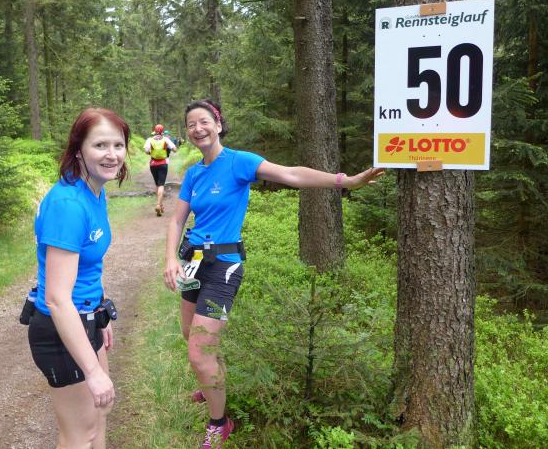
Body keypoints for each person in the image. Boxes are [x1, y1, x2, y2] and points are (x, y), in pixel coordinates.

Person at [163, 99, 384, 448]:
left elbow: (292, 174)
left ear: (218, 125)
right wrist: (170, 259)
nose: (197, 129)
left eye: (204, 121)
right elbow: (177, 220)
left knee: (199, 352)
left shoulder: (239, 162)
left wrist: (346, 181)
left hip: (224, 266)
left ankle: (220, 422)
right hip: (193, 262)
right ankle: (211, 381)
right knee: (190, 334)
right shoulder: (193, 174)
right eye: (191, 124)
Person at [28, 107, 129, 449]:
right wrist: (93, 371)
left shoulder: (94, 191)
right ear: (78, 150)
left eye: (118, 145)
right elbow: (57, 298)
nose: (112, 154)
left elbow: (88, 265)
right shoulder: (68, 204)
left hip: (86, 316)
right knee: (79, 434)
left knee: (99, 414)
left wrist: (100, 309)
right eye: (100, 145)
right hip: (61, 328)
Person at [144, 123, 177, 217]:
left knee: (157, 185)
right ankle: (158, 205)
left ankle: (161, 205)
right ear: (162, 131)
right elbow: (175, 149)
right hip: (163, 163)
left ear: (154, 131)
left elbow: (146, 151)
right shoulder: (166, 139)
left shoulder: (149, 140)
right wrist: (167, 149)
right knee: (161, 185)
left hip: (153, 164)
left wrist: (151, 152)